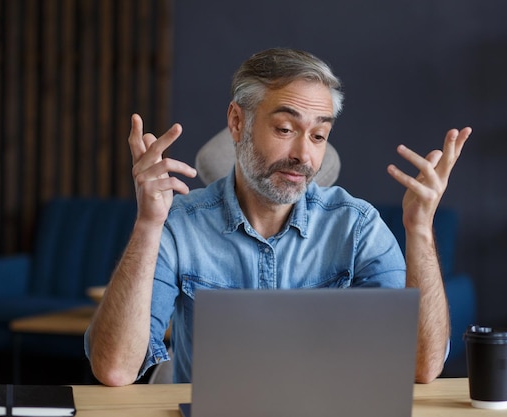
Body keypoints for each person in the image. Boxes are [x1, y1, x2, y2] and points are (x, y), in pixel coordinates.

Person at [85, 47, 471, 386]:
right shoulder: (180, 223)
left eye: (318, 136)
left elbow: (423, 367)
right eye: (285, 129)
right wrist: (148, 224)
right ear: (238, 122)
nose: (304, 155)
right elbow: (115, 369)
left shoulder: (357, 227)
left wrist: (419, 230)